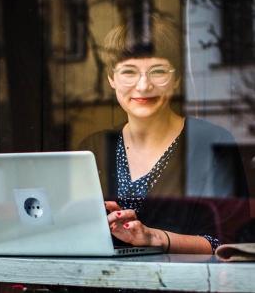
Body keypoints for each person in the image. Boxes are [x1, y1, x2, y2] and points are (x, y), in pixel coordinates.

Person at [79, 14, 249, 254]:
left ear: (177, 79)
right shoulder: (93, 147)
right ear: (111, 79)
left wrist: (155, 238)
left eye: (158, 71)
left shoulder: (211, 143)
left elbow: (231, 243)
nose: (143, 85)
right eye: (129, 72)